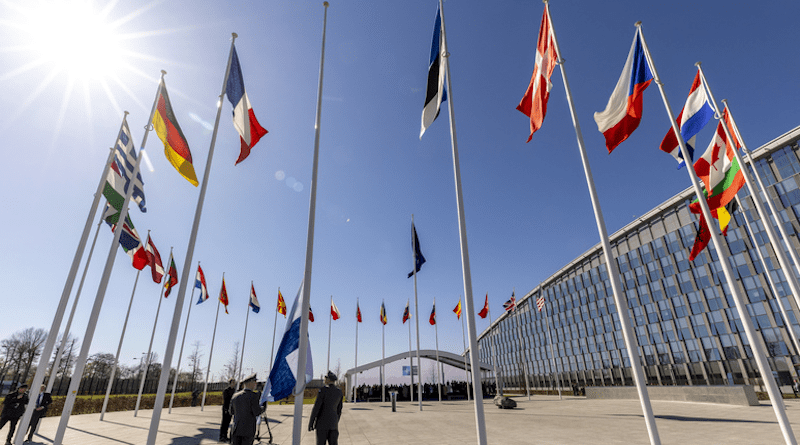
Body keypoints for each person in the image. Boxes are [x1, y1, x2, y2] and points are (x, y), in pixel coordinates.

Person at [308, 371, 343, 445]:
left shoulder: (323, 390)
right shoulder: (339, 392)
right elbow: (339, 410)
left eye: (325, 378)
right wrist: (335, 421)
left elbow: (316, 408)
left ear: (328, 380)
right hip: (333, 425)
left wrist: (311, 423)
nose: (324, 380)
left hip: (322, 425)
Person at [230, 373, 261, 445]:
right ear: (250, 383)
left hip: (236, 429)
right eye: (254, 382)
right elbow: (256, 412)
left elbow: (231, 411)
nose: (255, 384)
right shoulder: (253, 396)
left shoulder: (235, 395)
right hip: (248, 430)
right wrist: (263, 407)